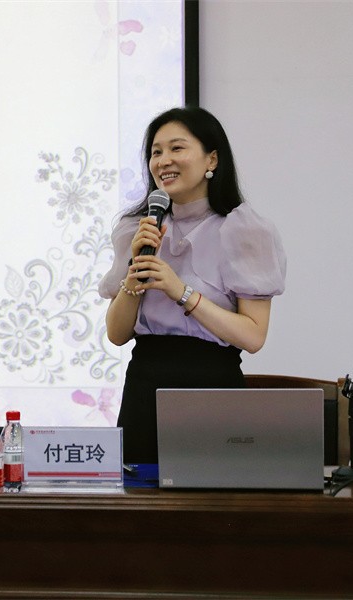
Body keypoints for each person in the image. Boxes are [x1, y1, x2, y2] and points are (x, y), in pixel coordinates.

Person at [98, 106, 287, 464]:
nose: (163, 161)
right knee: (139, 495)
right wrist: (133, 276)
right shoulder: (137, 229)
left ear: (211, 159)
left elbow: (253, 336)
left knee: (213, 494)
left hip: (213, 388)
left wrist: (180, 291)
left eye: (177, 148)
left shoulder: (244, 231)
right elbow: (117, 334)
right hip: (145, 389)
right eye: (156, 152)